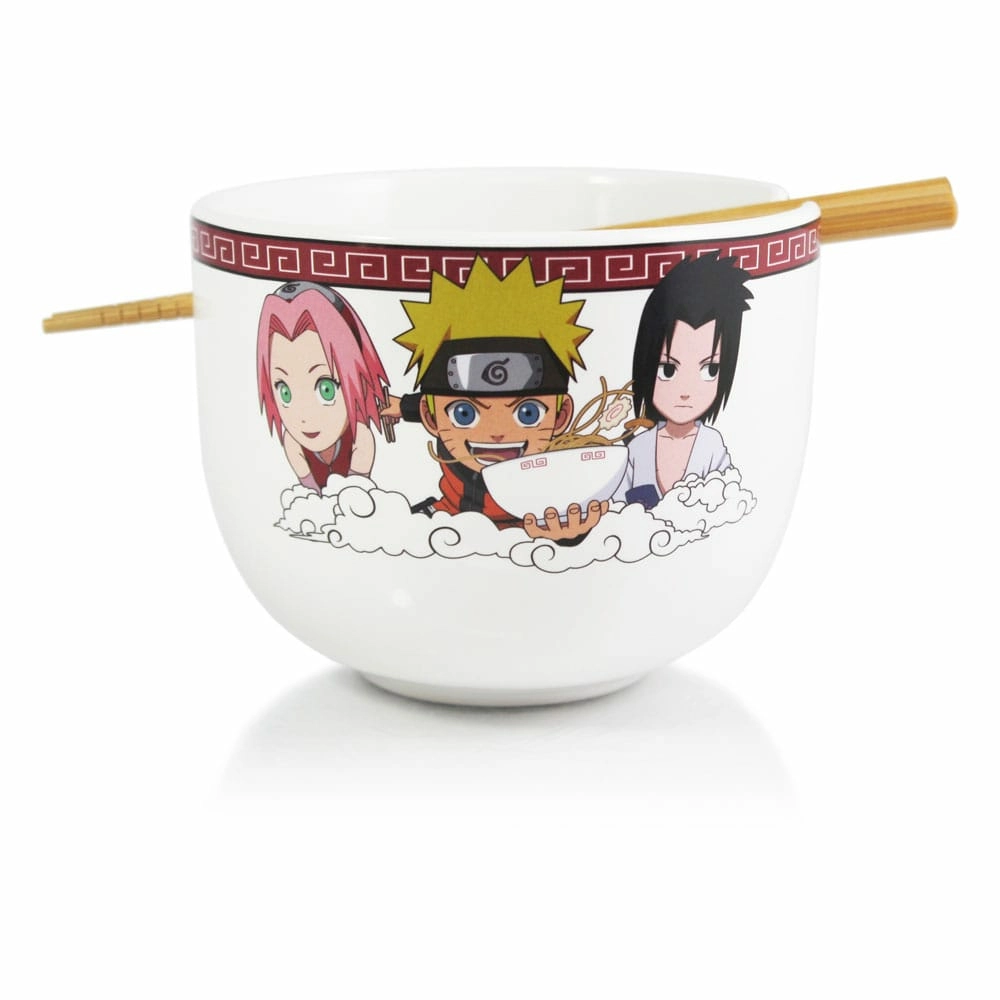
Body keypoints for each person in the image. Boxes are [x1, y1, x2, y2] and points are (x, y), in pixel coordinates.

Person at [382, 256, 607, 542]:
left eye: (528, 413)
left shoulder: (555, 467)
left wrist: (568, 535)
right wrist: (402, 406)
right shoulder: (435, 416)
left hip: (530, 529)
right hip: (448, 518)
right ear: (430, 418)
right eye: (465, 413)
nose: (497, 432)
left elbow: (570, 515)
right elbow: (433, 403)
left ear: (560, 417)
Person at [615, 253, 752, 509]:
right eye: (668, 370)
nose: (686, 391)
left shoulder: (711, 447)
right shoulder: (638, 449)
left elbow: (729, 503)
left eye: (710, 370)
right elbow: (616, 506)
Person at [257, 281, 390, 491]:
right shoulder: (293, 444)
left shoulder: (360, 440)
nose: (304, 416)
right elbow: (310, 497)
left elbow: (358, 496)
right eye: (285, 392)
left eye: (326, 390)